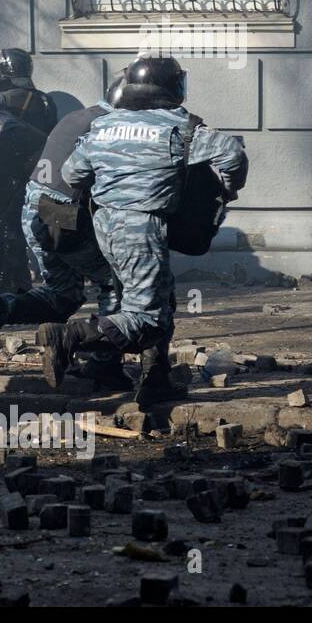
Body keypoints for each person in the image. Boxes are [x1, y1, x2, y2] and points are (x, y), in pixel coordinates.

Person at [47, 55, 249, 407]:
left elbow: (73, 174)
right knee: (147, 318)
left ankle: (156, 380)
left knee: (159, 297)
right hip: (142, 226)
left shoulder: (104, 126)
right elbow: (232, 154)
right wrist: (229, 189)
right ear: (171, 88)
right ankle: (70, 336)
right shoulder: (179, 126)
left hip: (105, 225)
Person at [0, 71, 130, 392]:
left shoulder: (80, 115)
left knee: (64, 293)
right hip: (62, 212)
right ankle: (102, 365)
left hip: (37, 207)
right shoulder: (112, 127)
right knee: (114, 285)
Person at [0, 48, 58, 291]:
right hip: (34, 173)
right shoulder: (45, 100)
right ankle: (19, 281)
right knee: (16, 225)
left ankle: (2, 282)